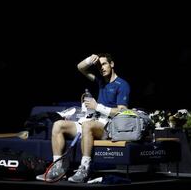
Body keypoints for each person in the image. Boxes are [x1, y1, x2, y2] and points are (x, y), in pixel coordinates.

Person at [36, 53, 130, 183]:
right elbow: (80, 67)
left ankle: (84, 169)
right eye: (98, 66)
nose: (101, 68)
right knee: (58, 125)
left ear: (112, 64)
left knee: (87, 125)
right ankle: (58, 169)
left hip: (109, 126)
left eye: (104, 64)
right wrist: (90, 59)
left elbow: (122, 111)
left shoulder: (122, 84)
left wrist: (98, 107)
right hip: (92, 121)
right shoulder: (100, 81)